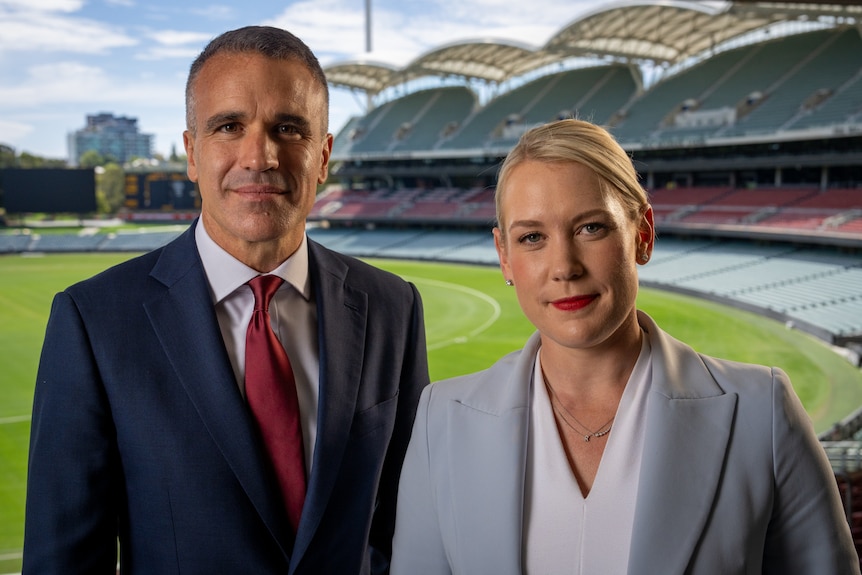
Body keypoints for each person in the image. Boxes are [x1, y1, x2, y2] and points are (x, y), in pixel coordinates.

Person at [24, 26, 429, 574]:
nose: (259, 156)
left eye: (288, 128)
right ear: (192, 153)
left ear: (324, 156)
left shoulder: (393, 307)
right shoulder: (93, 322)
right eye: (229, 126)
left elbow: (410, 530)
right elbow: (64, 561)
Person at [390, 118, 859, 574]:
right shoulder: (442, 419)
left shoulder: (763, 414)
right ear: (504, 256)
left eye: (591, 227)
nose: (564, 267)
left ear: (643, 233)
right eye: (532, 237)